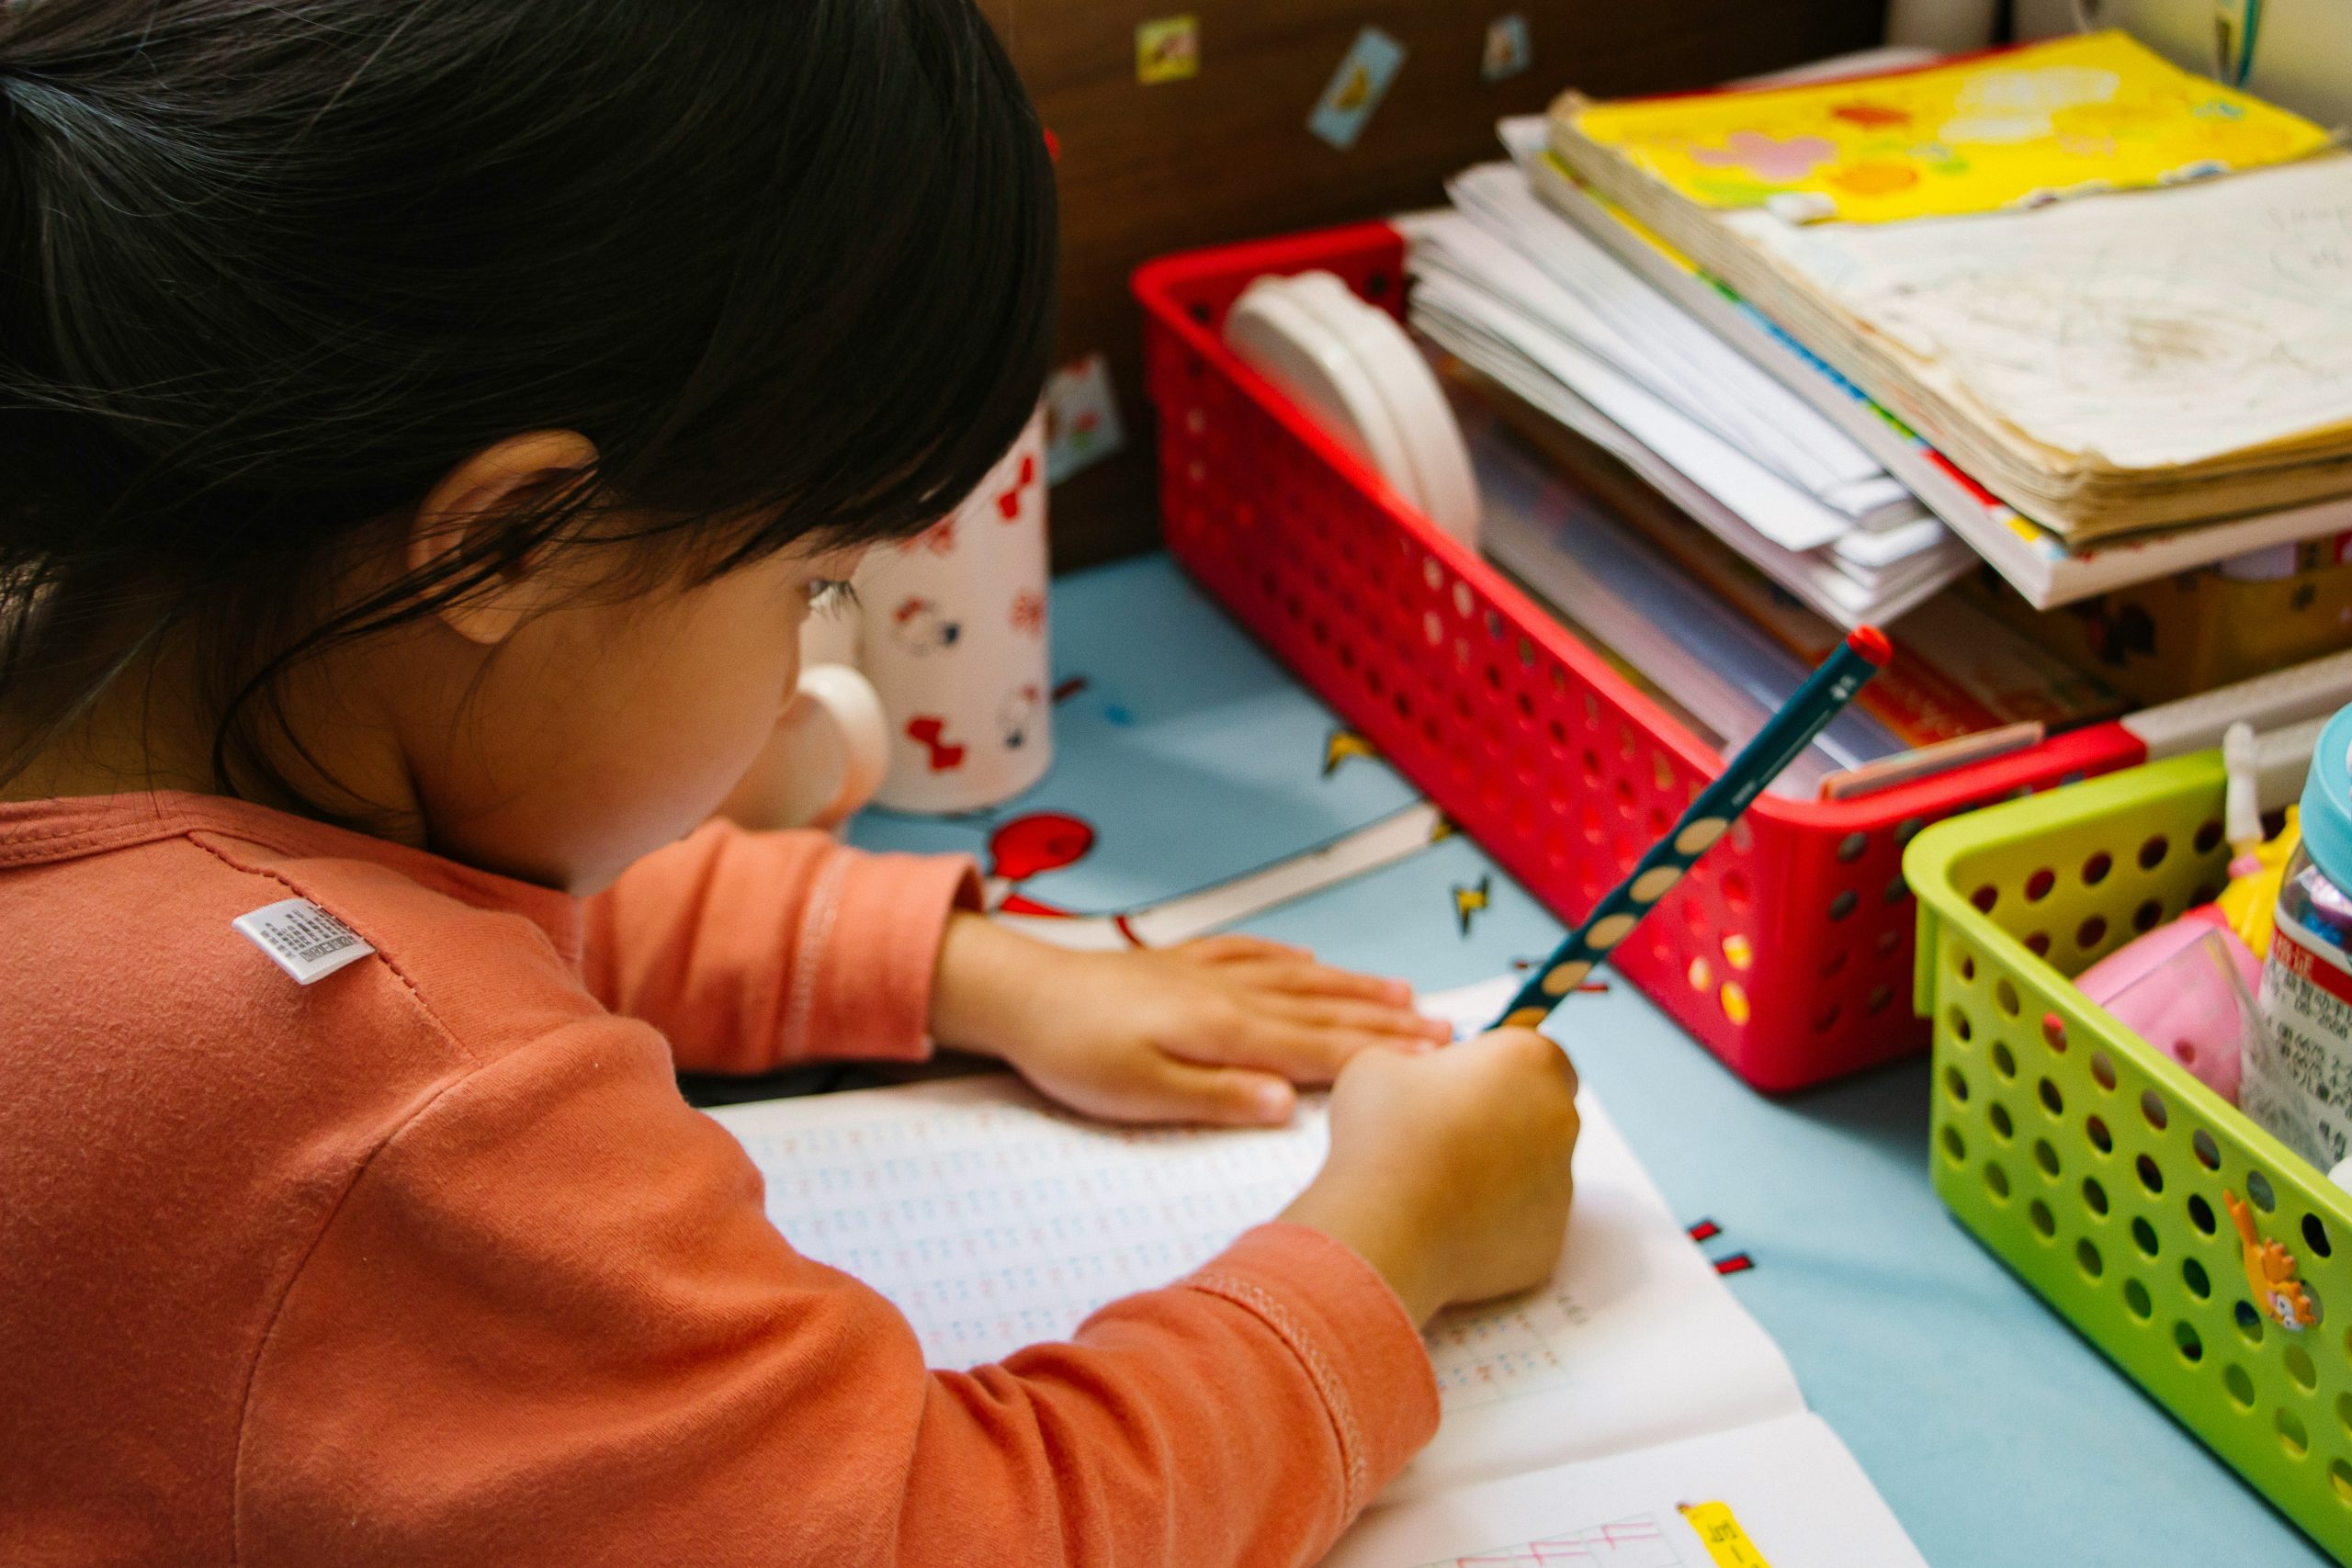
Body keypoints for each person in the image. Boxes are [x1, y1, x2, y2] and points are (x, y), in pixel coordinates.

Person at [0, 3, 1582, 1563]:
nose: (805, 663)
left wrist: (959, 967)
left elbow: (407, 914)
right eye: (816, 583)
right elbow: (966, 1541)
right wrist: (1394, 1233)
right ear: (506, 542)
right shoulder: (397, 1109)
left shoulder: (102, 675)